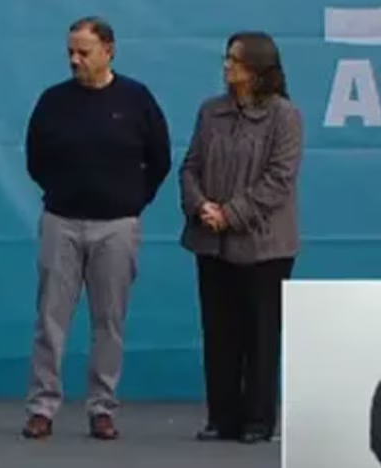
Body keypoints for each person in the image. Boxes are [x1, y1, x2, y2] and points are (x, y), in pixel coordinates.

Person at [21, 16, 172, 440]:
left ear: (108, 51)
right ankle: (42, 407)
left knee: (109, 321)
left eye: (84, 52)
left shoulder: (136, 100)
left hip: (116, 227)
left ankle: (102, 408)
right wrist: (63, 192)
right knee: (50, 319)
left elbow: (159, 159)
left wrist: (131, 201)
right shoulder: (53, 101)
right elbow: (35, 158)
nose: (75, 59)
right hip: (62, 221)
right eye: (70, 52)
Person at [180, 31, 302, 444]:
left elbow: (279, 179)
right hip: (211, 243)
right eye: (227, 58)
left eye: (234, 59)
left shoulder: (284, 116)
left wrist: (229, 214)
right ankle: (222, 417)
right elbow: (190, 167)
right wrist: (201, 207)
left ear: (257, 68)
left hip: (264, 248)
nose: (226, 65)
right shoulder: (210, 111)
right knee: (219, 333)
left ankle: (258, 420)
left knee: (260, 334)